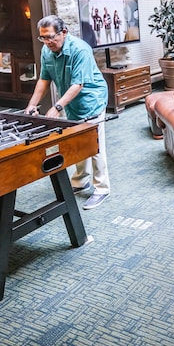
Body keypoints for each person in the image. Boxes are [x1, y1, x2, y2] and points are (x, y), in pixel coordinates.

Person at [24, 15, 111, 210]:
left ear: (64, 32)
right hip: (71, 102)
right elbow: (44, 79)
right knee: (76, 142)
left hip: (91, 100)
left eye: (51, 37)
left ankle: (102, 188)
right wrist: (32, 105)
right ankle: (81, 181)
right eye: (43, 38)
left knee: (94, 144)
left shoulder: (80, 50)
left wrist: (57, 107)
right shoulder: (47, 50)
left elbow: (78, 84)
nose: (47, 42)